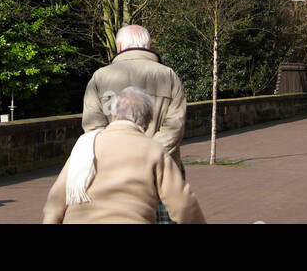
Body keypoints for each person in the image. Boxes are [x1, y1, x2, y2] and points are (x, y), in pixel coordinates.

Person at [43, 87, 205, 224]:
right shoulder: (154, 150)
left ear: (113, 115)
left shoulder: (85, 145)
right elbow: (183, 205)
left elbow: (55, 203)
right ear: (147, 122)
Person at [82, 24, 187, 173]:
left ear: (119, 47)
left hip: (113, 169)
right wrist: (149, 155)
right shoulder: (168, 75)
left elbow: (93, 127)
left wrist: (118, 156)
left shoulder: (99, 77)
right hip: (162, 169)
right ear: (149, 46)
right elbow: (175, 125)